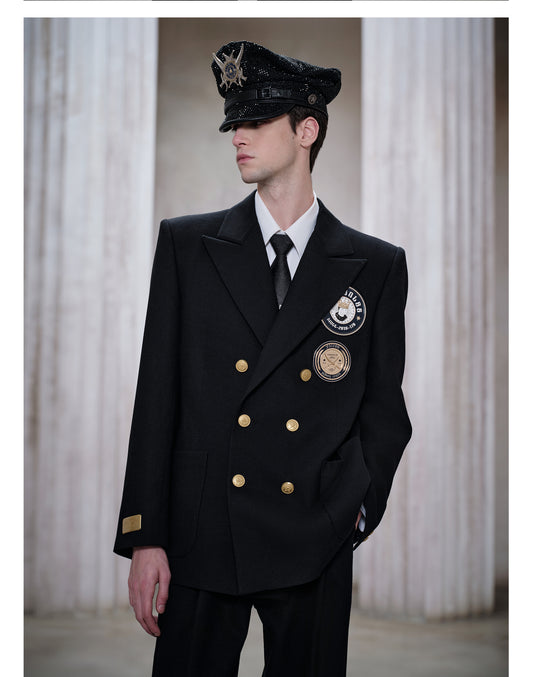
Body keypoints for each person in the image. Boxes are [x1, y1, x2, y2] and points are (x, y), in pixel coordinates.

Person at [114, 40, 412, 677]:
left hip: (314, 533)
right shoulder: (188, 245)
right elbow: (156, 398)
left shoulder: (376, 265)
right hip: (201, 531)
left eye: (255, 120)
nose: (237, 136)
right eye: (233, 122)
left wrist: (352, 511)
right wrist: (146, 535)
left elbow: (384, 412)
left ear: (307, 131)